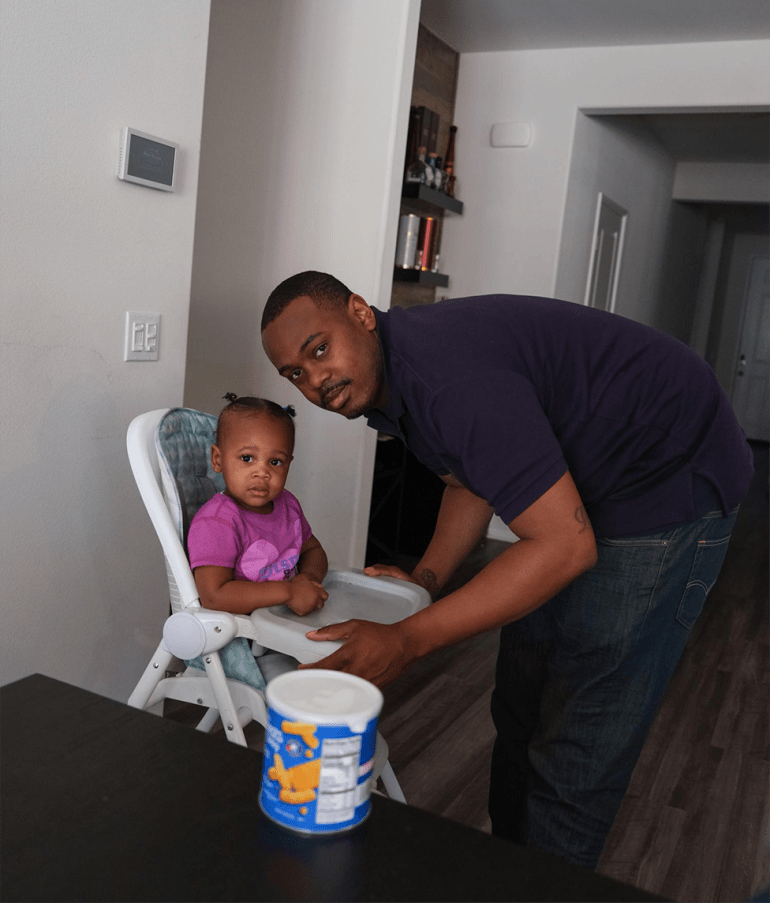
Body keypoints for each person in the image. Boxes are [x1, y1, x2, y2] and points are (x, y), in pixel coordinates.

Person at [259, 271, 753, 870]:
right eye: (295, 374)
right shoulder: (390, 381)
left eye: (319, 350)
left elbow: (565, 548)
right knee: (521, 707)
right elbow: (468, 479)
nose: (315, 381)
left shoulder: (449, 381)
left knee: (579, 743)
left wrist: (408, 638)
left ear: (361, 313)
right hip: (589, 485)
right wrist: (427, 581)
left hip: (667, 477)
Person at [189, 394, 329, 618]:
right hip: (243, 630)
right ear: (218, 459)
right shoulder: (217, 521)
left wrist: (307, 579)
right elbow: (214, 596)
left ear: (288, 464)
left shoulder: (288, 505)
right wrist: (288, 592)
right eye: (247, 458)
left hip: (283, 619)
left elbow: (313, 550)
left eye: (275, 462)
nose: (262, 472)